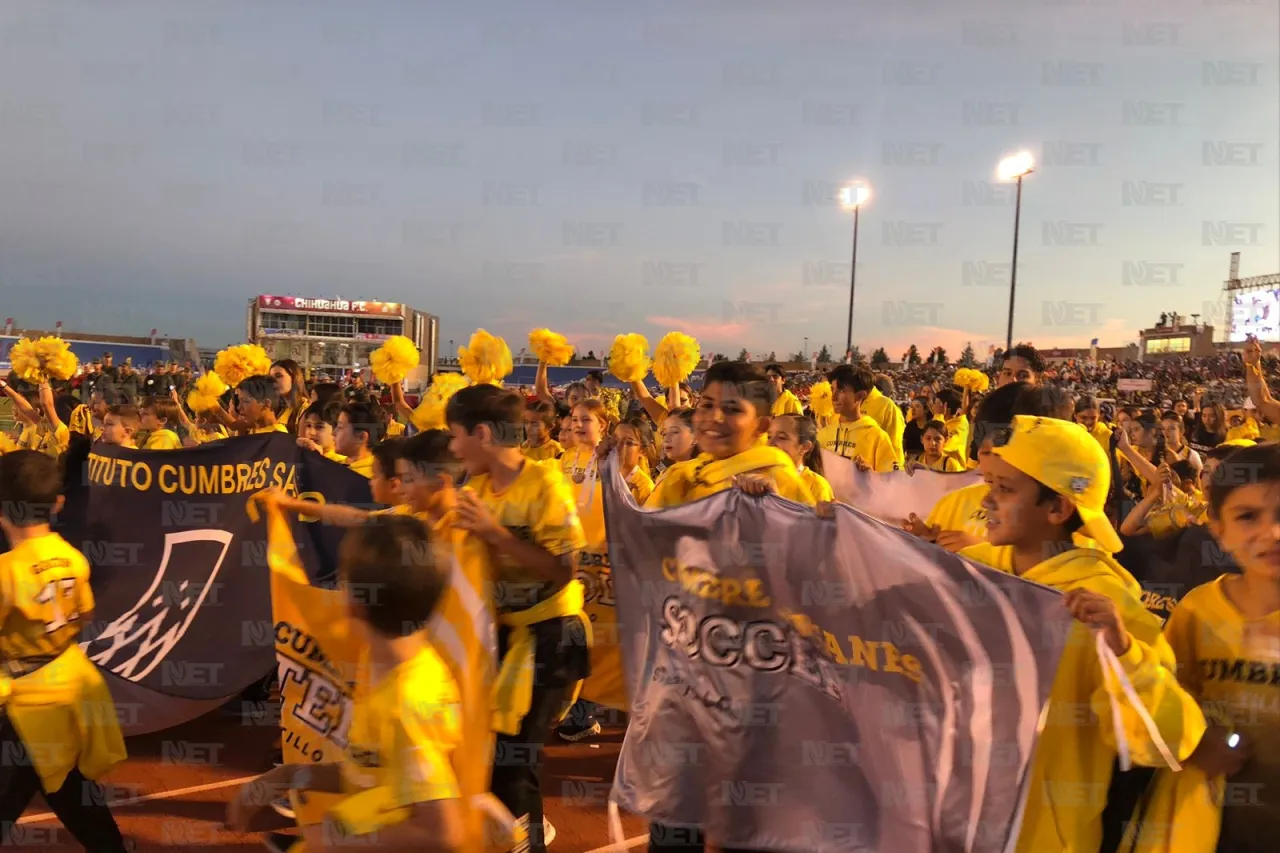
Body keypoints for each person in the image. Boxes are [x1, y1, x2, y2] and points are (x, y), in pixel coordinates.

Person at [958, 417, 1205, 853]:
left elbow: (1169, 740)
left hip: (1044, 839)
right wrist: (830, 537)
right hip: (952, 820)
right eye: (988, 483)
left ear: (1057, 509)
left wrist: (1123, 652)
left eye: (1005, 489)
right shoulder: (971, 570)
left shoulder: (1108, 604)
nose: (986, 501)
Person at [640, 359, 815, 853]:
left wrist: (772, 515)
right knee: (675, 807)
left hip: (750, 677)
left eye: (731, 409)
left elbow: (809, 576)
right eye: (705, 405)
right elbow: (647, 552)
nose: (713, 418)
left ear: (761, 425)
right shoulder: (682, 476)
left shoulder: (780, 481)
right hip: (684, 666)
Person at [227, 515, 469, 853]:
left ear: (353, 604)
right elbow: (370, 769)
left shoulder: (407, 704)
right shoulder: (387, 661)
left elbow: (444, 834)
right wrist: (287, 776)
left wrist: (332, 843)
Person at [446, 384, 589, 853]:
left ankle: (526, 841)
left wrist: (494, 533)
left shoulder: (544, 482)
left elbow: (565, 568)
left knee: (513, 760)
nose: (451, 448)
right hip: (506, 639)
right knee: (491, 756)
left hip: (552, 637)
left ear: (482, 433)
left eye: (454, 436)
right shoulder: (476, 488)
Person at [0, 451, 129, 850]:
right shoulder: (73, 557)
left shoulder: (7, 570)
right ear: (57, 504)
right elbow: (85, 614)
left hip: (26, 707)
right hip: (69, 689)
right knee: (69, 788)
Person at [1161, 442, 1280, 853]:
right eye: (1248, 517)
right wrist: (1194, 745)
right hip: (1212, 827)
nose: (1273, 533)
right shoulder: (1197, 612)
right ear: (1219, 531)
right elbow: (1165, 702)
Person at [817, 365, 897, 473]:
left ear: (860, 396)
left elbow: (890, 480)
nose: (833, 397)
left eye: (841, 391)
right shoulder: (823, 435)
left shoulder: (877, 438)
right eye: (832, 389)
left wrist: (872, 474)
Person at [335, 401, 384, 478]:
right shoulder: (336, 464)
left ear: (361, 437)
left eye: (340, 427)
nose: (334, 432)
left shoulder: (371, 478)